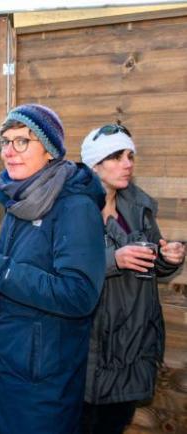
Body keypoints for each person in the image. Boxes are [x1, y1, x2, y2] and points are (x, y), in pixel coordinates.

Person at [0, 104, 107, 434]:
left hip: (43, 382)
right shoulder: (20, 198)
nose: (9, 151)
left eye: (22, 141)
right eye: (5, 142)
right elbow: (26, 265)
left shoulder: (75, 206)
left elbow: (79, 294)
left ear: (50, 150)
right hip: (8, 364)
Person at [80, 124, 185, 434]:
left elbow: (152, 260)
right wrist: (114, 259)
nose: (127, 163)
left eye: (130, 156)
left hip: (135, 343)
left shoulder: (138, 207)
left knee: (115, 423)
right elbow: (61, 268)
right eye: (116, 156)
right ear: (94, 163)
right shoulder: (74, 209)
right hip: (93, 346)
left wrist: (168, 258)